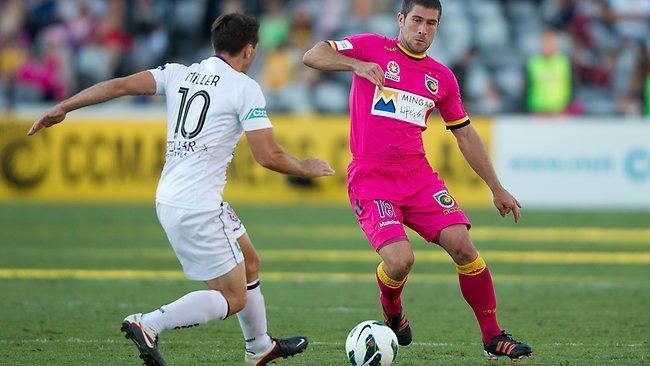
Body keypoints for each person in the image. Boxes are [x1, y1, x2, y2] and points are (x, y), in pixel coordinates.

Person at [28, 13, 334, 366]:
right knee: (233, 298)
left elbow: (119, 85)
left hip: (173, 198)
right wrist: (304, 167)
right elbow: (268, 156)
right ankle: (149, 323)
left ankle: (259, 346)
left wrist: (65, 105)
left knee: (250, 260)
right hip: (198, 206)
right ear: (250, 50)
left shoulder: (178, 73)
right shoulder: (244, 87)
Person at [303, 0, 532, 361]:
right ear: (401, 19)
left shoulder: (441, 77)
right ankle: (392, 309)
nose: (423, 29)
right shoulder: (371, 47)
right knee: (399, 261)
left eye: (432, 23)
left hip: (417, 177)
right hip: (372, 178)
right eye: (417, 20)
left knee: (463, 245)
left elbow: (465, 135)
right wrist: (356, 65)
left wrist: (496, 187)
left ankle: (493, 336)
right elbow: (313, 55)